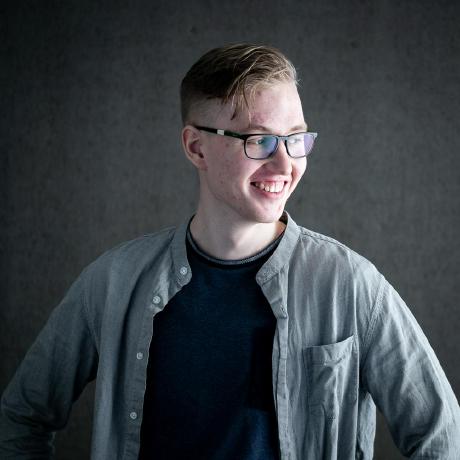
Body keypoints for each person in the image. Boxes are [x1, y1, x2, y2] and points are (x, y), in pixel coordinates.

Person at [1, 43, 459, 460]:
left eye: (296, 138)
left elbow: (442, 439)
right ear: (196, 147)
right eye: (259, 141)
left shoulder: (353, 287)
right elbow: (20, 421)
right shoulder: (113, 282)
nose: (285, 164)